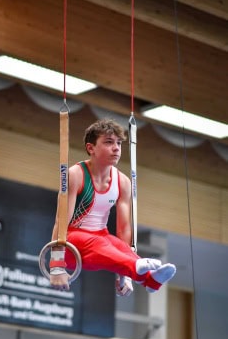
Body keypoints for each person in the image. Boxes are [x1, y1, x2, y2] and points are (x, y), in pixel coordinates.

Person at [49, 119, 176, 294]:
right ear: (90, 148)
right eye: (109, 142)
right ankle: (137, 268)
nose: (116, 148)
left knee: (120, 246)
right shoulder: (76, 175)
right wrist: (56, 265)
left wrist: (124, 276)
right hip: (71, 245)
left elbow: (123, 230)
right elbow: (61, 220)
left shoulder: (122, 182)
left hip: (100, 243)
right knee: (102, 243)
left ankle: (150, 280)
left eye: (119, 143)